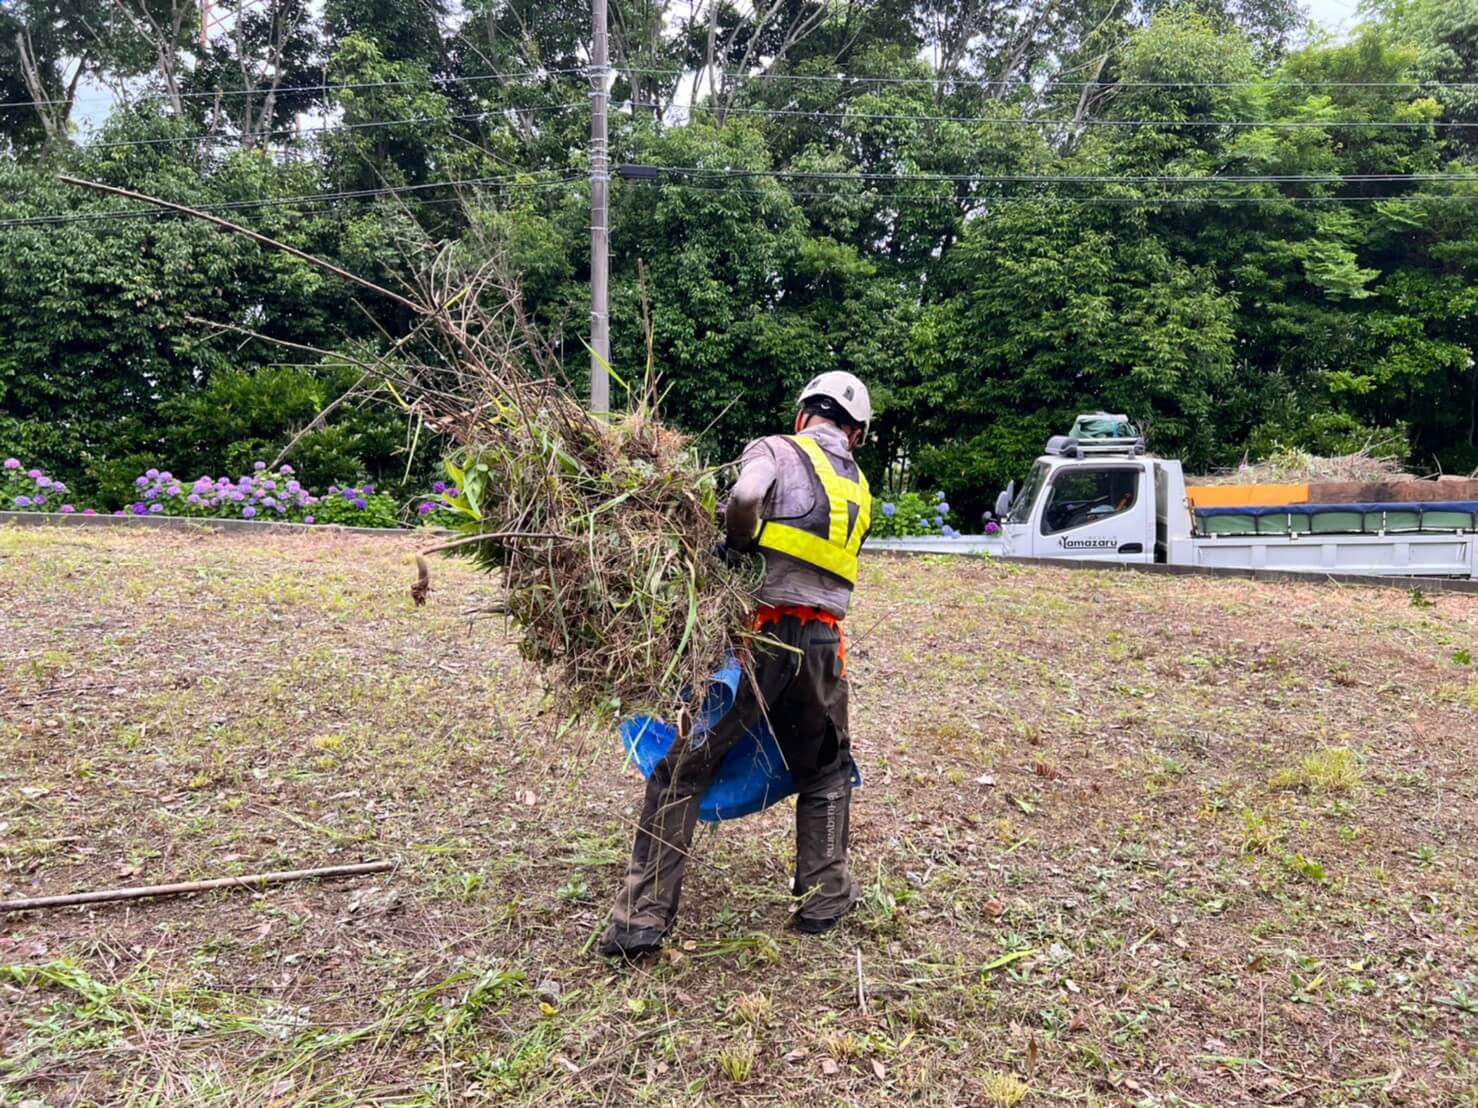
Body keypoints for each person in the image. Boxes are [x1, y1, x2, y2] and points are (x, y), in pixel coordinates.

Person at [598, 372, 874, 959]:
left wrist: (735, 543)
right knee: (825, 771)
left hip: (762, 637)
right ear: (856, 434)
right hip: (822, 645)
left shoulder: (777, 448)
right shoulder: (859, 487)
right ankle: (825, 898)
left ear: (804, 416)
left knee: (682, 770)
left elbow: (747, 499)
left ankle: (642, 920)